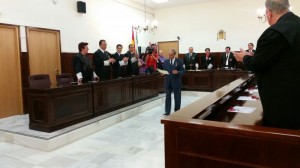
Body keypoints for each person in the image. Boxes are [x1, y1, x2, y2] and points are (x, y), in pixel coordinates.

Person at [233, 0, 300, 130]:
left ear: (268, 13)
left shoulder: (274, 32)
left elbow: (257, 65)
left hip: (283, 101)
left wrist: (244, 57)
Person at [161, 49, 185, 115]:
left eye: (171, 55)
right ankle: (167, 111)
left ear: (174, 54)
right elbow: (165, 71)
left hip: (176, 82)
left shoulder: (179, 61)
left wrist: (178, 72)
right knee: (167, 97)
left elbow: (183, 71)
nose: (170, 56)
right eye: (169, 55)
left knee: (177, 98)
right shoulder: (166, 61)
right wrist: (163, 74)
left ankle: (177, 111)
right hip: (168, 82)